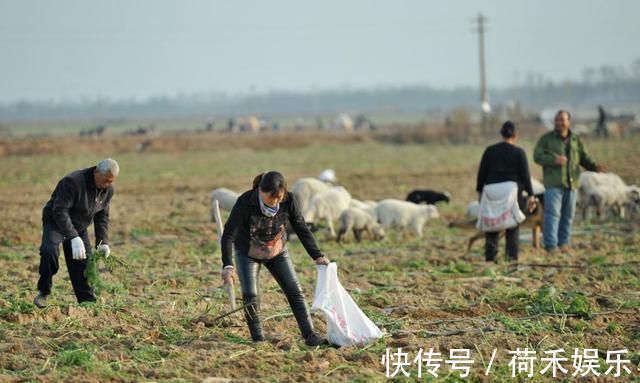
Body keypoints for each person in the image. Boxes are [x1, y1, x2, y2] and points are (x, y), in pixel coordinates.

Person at [220, 171, 329, 346]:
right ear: (261, 191)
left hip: (277, 251)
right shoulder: (245, 202)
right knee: (250, 295)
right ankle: (258, 339)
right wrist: (228, 265)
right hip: (248, 253)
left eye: (279, 198)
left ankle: (310, 335)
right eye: (271, 198)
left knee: (295, 291)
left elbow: (301, 227)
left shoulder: (289, 200)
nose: (275, 202)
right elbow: (228, 234)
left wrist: (317, 255)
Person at [34, 158, 119, 308]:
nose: (108, 184)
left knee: (83, 263)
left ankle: (87, 302)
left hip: (79, 225)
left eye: (111, 181)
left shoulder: (107, 190)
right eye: (106, 180)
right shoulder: (73, 182)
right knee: (49, 252)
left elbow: (102, 216)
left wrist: (102, 242)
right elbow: (60, 211)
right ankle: (43, 292)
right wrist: (73, 237)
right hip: (56, 221)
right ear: (96, 172)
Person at [533, 110, 602, 254]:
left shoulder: (576, 140)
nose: (559, 123)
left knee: (568, 215)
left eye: (562, 120)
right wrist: (554, 160)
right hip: (554, 183)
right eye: (557, 120)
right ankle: (551, 245)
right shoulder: (546, 139)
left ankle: (563, 243)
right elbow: (537, 156)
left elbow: (583, 158)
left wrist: (594, 167)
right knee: (552, 214)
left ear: (568, 121)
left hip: (572, 184)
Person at [476, 121, 536, 262]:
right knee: (512, 226)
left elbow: (481, 173)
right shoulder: (519, 152)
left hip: (491, 190)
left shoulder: (490, 151)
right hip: (511, 191)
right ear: (515, 135)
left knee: (491, 225)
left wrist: (479, 192)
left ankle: (490, 259)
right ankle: (511, 259)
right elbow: (525, 176)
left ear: (502, 134)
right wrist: (531, 195)